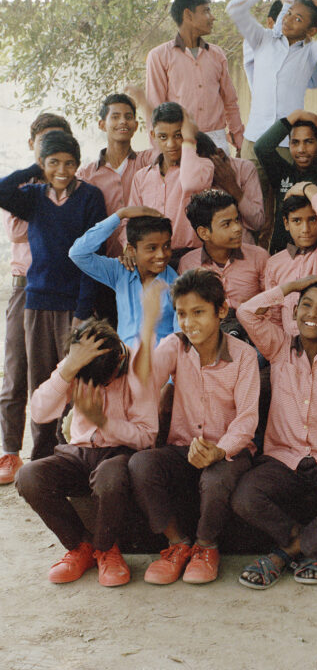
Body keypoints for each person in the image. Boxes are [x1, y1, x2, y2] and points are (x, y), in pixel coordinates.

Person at [233, 278, 317, 588]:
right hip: (283, 456)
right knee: (245, 497)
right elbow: (246, 312)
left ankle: (284, 554)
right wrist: (292, 285)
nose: (313, 314)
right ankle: (309, 545)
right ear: (293, 313)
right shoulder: (279, 347)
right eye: (306, 305)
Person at [129, 269, 259, 585]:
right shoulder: (176, 345)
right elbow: (142, 383)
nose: (189, 323)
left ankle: (205, 547)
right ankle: (177, 544)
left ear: (222, 311)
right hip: (182, 448)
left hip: (229, 449)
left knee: (216, 480)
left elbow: (247, 418)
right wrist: (148, 326)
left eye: (198, 312)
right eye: (182, 314)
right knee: (141, 464)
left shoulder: (243, 355)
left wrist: (219, 450)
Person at [16, 307, 158, 586]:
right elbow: (39, 413)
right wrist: (68, 369)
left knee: (110, 477)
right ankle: (81, 547)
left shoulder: (137, 369)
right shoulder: (77, 365)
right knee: (29, 476)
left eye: (105, 382)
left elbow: (147, 437)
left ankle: (107, 549)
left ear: (119, 358)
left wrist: (102, 420)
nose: (99, 387)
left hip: (119, 454)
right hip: (78, 453)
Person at [0, 130, 107, 461]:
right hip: (38, 303)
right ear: (42, 164)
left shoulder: (90, 197)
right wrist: (33, 172)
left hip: (76, 303)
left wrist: (82, 310)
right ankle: (43, 458)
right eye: (53, 163)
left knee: (77, 381)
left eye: (69, 163)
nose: (62, 170)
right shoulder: (32, 196)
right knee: (42, 382)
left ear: (78, 164)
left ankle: (73, 453)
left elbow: (94, 255)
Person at [0, 114, 71, 483]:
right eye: (44, 145)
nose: (52, 154)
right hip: (25, 282)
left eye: (58, 144)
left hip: (59, 288)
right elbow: (15, 228)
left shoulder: (72, 186)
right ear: (34, 148)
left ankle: (54, 450)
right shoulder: (25, 186)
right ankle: (9, 451)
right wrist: (37, 173)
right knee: (16, 368)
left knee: (58, 370)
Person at [226, 0, 317, 161]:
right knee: (251, 189)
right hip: (254, 140)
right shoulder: (263, 39)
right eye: (288, 14)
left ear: (311, 31)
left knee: (285, 191)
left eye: (298, 19)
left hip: (287, 145)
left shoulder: (310, 54)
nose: (288, 20)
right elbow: (234, 8)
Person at [146, 0, 244, 154]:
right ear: (188, 15)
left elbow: (230, 102)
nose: (212, 17)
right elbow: (155, 109)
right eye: (206, 11)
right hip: (180, 144)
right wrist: (158, 152)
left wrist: (239, 140)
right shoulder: (158, 56)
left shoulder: (217, 54)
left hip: (217, 143)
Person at [69, 208, 177, 346]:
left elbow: (179, 339)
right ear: (132, 250)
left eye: (167, 246)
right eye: (152, 248)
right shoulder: (121, 272)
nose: (161, 254)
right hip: (123, 362)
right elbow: (78, 254)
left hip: (159, 363)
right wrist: (120, 215)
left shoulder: (177, 285)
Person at [127, 103, 214, 262]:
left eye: (178, 135)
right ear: (153, 135)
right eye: (163, 137)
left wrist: (189, 139)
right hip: (153, 260)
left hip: (192, 258)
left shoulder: (203, 166)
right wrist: (129, 247)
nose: (171, 144)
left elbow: (190, 184)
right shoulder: (141, 177)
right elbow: (133, 220)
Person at [253, 106, 317, 253]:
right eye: (295, 142)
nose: (301, 149)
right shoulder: (282, 173)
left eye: (309, 142)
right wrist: (296, 115)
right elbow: (261, 147)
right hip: (284, 254)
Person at [77, 93, 158, 258]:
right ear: (102, 125)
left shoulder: (147, 161)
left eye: (128, 117)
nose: (123, 121)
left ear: (135, 125)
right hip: (103, 264)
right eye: (115, 117)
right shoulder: (86, 174)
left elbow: (166, 139)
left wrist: (145, 103)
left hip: (143, 261)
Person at [265, 182, 317, 335]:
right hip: (290, 351)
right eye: (297, 220)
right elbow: (275, 317)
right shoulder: (274, 263)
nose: (305, 229)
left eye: (313, 219)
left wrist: (308, 188)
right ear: (286, 223)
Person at [180, 190, 268, 324]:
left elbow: (274, 307)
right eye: (227, 224)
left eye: (237, 220)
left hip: (254, 337)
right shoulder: (188, 264)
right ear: (204, 233)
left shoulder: (259, 257)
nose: (237, 228)